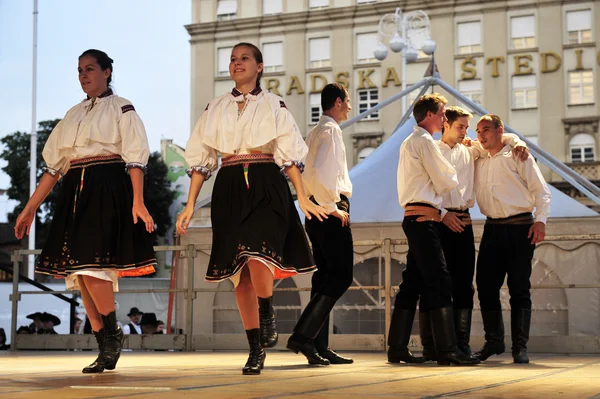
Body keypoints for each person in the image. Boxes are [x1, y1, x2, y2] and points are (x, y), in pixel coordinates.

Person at [176, 42, 327, 375]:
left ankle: (267, 308)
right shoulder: (213, 107)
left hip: (265, 183)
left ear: (260, 66)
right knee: (239, 273)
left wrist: (301, 197)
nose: (236, 63)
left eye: (244, 58)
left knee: (259, 253)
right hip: (228, 187)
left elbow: (289, 158)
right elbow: (201, 163)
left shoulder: (275, 105)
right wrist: (188, 206)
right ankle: (255, 347)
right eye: (232, 59)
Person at [14, 49, 157, 373]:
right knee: (78, 271)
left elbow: (135, 159)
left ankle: (112, 335)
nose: (83, 75)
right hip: (75, 193)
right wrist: (30, 208)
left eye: (90, 69)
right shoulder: (72, 115)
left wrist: (138, 200)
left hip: (107, 188)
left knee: (95, 267)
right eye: (79, 70)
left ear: (107, 72)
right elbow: (53, 168)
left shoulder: (123, 108)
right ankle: (103, 340)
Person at [419, 106, 529, 361]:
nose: (466, 132)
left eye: (468, 128)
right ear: (445, 124)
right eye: (461, 127)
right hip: (438, 220)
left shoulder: (471, 151)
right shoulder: (430, 150)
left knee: (465, 285)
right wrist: (440, 215)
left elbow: (502, 140)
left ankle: (461, 344)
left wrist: (518, 140)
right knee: (433, 283)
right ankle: (432, 345)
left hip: (464, 221)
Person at [388, 94, 479, 366]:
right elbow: (446, 180)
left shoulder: (411, 141)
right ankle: (447, 351)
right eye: (441, 114)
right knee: (440, 280)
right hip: (424, 218)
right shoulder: (424, 141)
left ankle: (397, 348)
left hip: (418, 216)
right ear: (430, 115)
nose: (443, 118)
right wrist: (449, 175)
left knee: (412, 283)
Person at [473, 114, 551, 364]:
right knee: (485, 287)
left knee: (519, 288)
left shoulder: (518, 155)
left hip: (520, 226)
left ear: (499, 130)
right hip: (492, 228)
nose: (481, 135)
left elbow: (541, 191)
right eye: (478, 131)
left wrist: (541, 220)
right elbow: (466, 142)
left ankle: (520, 346)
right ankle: (494, 341)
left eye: (486, 129)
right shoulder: (478, 157)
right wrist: (513, 138)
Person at [286, 83, 354, 366]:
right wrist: (332, 207)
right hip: (327, 209)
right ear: (337, 102)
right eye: (348, 101)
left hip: (314, 210)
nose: (350, 106)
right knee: (341, 276)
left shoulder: (315, 131)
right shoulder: (331, 131)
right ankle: (303, 336)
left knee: (324, 277)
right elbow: (325, 173)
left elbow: (305, 172)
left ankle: (317, 344)